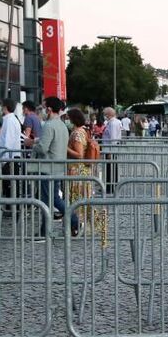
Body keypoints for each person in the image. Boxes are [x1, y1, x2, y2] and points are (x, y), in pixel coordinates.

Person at [32, 97, 79, 239]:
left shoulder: (49, 125)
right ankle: (45, 230)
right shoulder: (62, 125)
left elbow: (43, 148)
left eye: (43, 107)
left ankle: (69, 222)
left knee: (50, 200)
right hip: (57, 166)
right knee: (51, 199)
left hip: (48, 167)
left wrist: (32, 144)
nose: (42, 110)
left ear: (49, 109)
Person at [65, 108, 107, 245]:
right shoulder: (84, 131)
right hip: (82, 170)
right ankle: (87, 223)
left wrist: (64, 147)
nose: (66, 121)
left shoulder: (77, 133)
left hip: (78, 170)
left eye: (68, 118)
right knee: (83, 197)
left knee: (78, 198)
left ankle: (81, 224)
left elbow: (79, 154)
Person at [101, 107, 122, 194]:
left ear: (109, 114)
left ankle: (110, 187)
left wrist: (110, 151)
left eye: (105, 114)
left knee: (110, 168)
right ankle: (111, 186)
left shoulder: (113, 123)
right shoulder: (115, 122)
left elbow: (113, 138)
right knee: (111, 168)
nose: (104, 116)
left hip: (110, 148)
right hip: (111, 148)